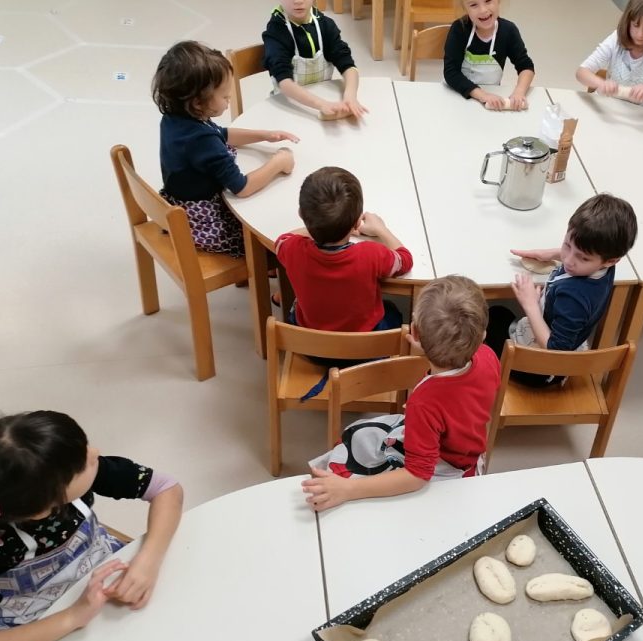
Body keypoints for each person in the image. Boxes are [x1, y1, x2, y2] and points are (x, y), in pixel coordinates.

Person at [0, 411, 183, 641]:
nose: (94, 453)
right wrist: (73, 617)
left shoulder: (53, 468)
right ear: (44, 507)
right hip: (33, 627)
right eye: (82, 464)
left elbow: (167, 488)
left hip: (105, 576)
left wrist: (149, 560)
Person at [301, 275, 501, 511]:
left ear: (414, 333)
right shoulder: (488, 356)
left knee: (349, 452)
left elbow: (417, 475)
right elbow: (460, 394)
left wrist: (348, 490)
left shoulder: (424, 402)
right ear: (483, 335)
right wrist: (428, 349)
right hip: (471, 450)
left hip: (446, 469)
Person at [154, 40, 297, 257]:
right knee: (268, 240)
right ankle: (261, 271)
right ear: (197, 102)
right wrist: (278, 163)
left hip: (179, 203)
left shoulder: (177, 117)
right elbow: (242, 187)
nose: (229, 99)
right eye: (224, 96)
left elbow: (221, 134)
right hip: (202, 220)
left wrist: (264, 135)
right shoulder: (201, 140)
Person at [486, 193, 638, 387]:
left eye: (582, 258)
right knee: (499, 314)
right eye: (567, 245)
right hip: (567, 347)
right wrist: (550, 253)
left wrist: (530, 305)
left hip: (541, 370)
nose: (567, 260)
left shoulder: (573, 298)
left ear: (611, 260)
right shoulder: (603, 263)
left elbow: (555, 351)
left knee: (483, 330)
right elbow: (579, 253)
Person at [275, 166, 413, 334]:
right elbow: (405, 260)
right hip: (366, 350)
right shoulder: (371, 255)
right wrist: (380, 229)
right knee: (393, 311)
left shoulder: (293, 249)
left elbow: (282, 239)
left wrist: (314, 226)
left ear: (301, 215)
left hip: (310, 344)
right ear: (356, 223)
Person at [263, 0, 367, 120]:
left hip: (323, 96)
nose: (298, 1)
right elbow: (284, 82)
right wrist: (321, 104)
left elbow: (348, 65)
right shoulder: (275, 32)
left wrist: (350, 97)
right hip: (289, 106)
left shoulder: (325, 25)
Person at [576, 0, 643, 113]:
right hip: (609, 107)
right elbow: (581, 72)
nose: (640, 34)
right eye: (635, 25)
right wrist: (601, 83)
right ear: (628, 21)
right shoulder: (616, 39)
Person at [443, 0, 534, 110]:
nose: (483, 10)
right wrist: (482, 95)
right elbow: (451, 72)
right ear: (465, 9)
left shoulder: (508, 31)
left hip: (492, 100)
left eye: (488, 1)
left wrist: (519, 92)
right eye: (473, 5)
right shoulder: (459, 29)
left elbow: (526, 66)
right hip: (460, 96)